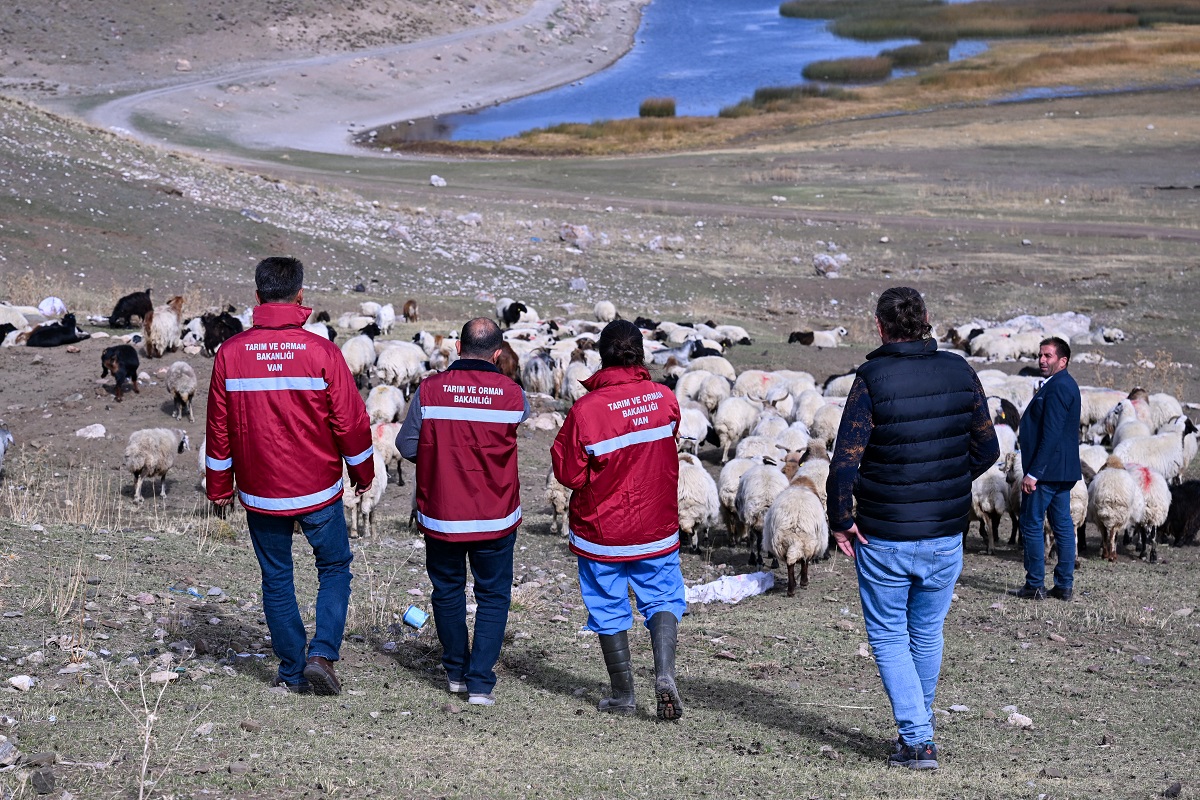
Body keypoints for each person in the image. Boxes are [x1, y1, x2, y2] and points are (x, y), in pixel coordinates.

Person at [827, 287, 999, 770]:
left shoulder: (871, 379)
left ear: (880, 327)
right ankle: (918, 727)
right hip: (945, 531)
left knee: (887, 634)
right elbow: (988, 450)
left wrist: (841, 521)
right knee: (926, 631)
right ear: (927, 320)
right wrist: (943, 481)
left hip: (884, 533)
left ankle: (918, 739)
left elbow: (844, 464)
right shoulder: (961, 372)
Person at [206, 256, 374, 696]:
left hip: (262, 493)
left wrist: (219, 485)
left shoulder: (231, 354)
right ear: (301, 296)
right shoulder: (321, 351)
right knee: (334, 565)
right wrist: (363, 470)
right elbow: (351, 422)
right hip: (318, 489)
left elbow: (218, 428)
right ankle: (322, 654)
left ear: (257, 297)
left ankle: (291, 668)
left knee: (277, 575)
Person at [550, 320, 686, 721]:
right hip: (655, 526)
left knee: (607, 605)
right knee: (662, 597)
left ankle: (623, 694)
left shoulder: (586, 411)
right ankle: (663, 674)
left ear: (601, 355)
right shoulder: (663, 398)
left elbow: (569, 474)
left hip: (602, 530)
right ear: (641, 354)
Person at [397, 318, 529, 707]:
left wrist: (440, 458)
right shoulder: (513, 395)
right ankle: (480, 683)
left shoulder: (430, 390)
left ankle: (455, 671)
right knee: (493, 597)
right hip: (496, 515)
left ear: (457, 347)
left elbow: (406, 444)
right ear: (498, 353)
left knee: (448, 590)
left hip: (442, 515)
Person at [1009, 337, 1082, 602]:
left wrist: (1033, 473)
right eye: (1040, 355)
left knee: (1031, 522)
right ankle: (1063, 585)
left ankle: (1035, 584)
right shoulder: (1062, 384)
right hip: (1061, 470)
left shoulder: (1059, 387)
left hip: (1047, 472)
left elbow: (1051, 433)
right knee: (1062, 525)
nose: (1042, 360)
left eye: (1048, 356)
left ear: (1063, 361)